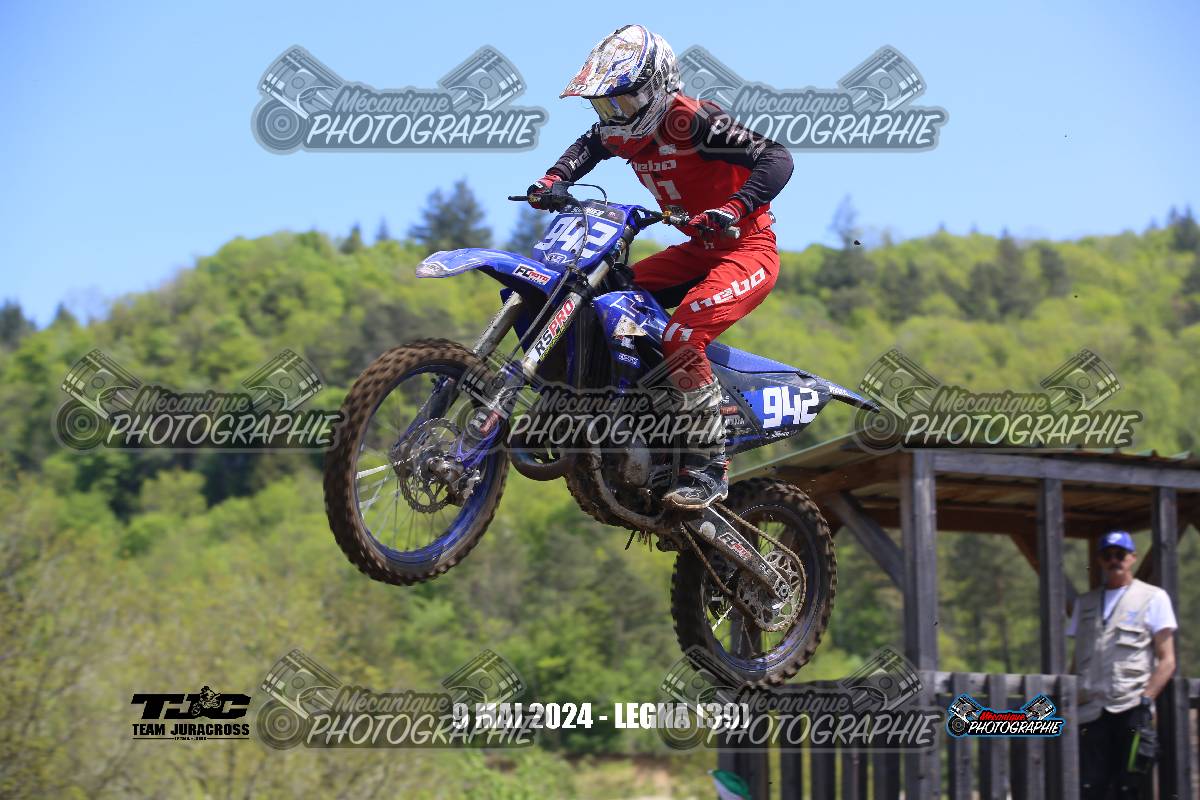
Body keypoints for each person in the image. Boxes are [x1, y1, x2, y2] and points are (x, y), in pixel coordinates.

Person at [528, 24, 793, 510]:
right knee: (603, 295)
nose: (613, 117)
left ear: (655, 89)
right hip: (696, 250)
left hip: (746, 248)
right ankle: (618, 413)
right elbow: (589, 145)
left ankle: (710, 464)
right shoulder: (623, 129)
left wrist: (733, 207)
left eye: (621, 103)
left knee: (682, 336)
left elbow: (776, 157)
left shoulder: (690, 121)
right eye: (604, 106)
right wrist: (553, 179)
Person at [1068, 530, 1177, 798]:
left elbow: (1167, 660)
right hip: (1090, 711)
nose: (1114, 560)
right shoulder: (1085, 602)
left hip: (1130, 708)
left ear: (1132, 558)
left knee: (1129, 786)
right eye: (1107, 555)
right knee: (1089, 787)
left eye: (1120, 554)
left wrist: (1146, 701)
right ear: (1099, 561)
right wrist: (1070, 700)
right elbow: (1076, 659)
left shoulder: (1154, 597)